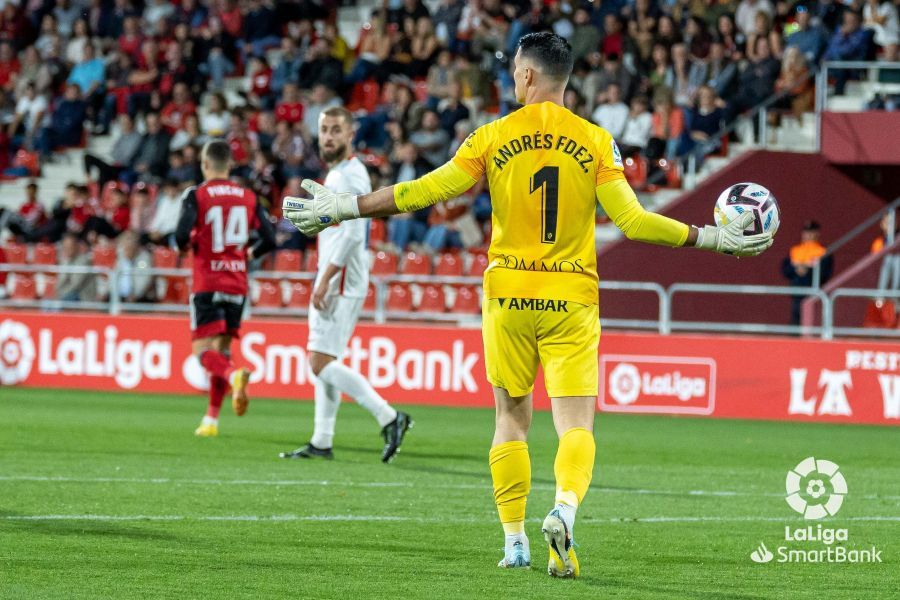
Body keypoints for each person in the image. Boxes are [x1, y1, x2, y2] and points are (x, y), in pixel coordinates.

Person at [283, 32, 773, 577]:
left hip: (508, 295)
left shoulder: (492, 136)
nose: (512, 77)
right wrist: (712, 238)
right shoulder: (595, 141)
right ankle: (563, 509)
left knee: (510, 420)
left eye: (515, 70)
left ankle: (513, 540)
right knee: (576, 425)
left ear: (529, 76)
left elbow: (424, 190)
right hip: (570, 298)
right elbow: (633, 222)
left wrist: (347, 207)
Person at [279, 107, 412, 463]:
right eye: (324, 130)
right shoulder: (338, 174)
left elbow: (354, 233)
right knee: (324, 359)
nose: (328, 137)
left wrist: (325, 278)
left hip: (340, 279)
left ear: (351, 134)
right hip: (339, 276)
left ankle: (389, 416)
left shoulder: (349, 176)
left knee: (319, 362)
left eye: (336, 130)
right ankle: (322, 440)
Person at [174, 140, 277, 437]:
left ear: (205, 165)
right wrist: (249, 255)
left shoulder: (197, 194)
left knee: (202, 353)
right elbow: (269, 239)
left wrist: (185, 247)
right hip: (236, 282)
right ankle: (211, 420)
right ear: (229, 165)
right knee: (222, 350)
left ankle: (234, 376)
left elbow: (182, 233)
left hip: (207, 280)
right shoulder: (248, 196)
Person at [781, 220, 833, 326]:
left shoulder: (822, 251)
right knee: (796, 321)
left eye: (811, 232)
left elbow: (825, 273)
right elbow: (785, 269)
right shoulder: (796, 250)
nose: (808, 235)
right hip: (797, 292)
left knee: (812, 322)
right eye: (806, 232)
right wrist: (796, 268)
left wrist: (807, 270)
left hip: (814, 293)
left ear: (817, 234)